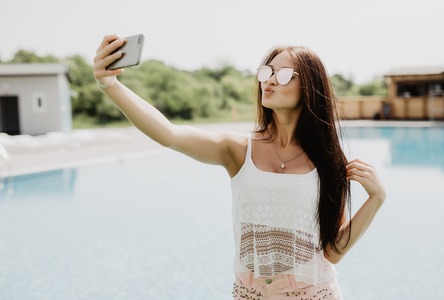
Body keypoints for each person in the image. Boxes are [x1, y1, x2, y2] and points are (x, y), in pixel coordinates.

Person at [93, 35, 386, 300]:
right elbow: (169, 134)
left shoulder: (328, 162)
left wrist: (376, 198)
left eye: (283, 74)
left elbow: (332, 252)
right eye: (266, 71)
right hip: (250, 294)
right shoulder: (238, 150)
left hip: (314, 294)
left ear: (310, 86)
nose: (269, 80)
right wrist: (111, 85)